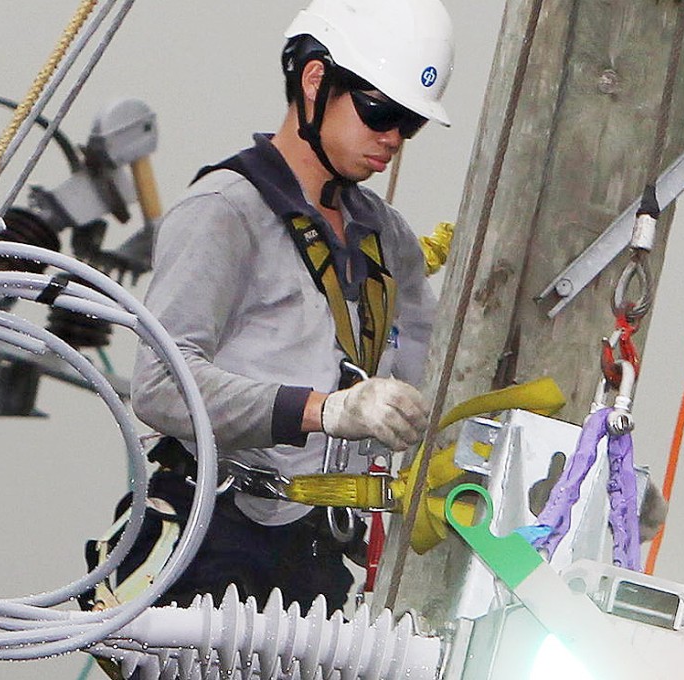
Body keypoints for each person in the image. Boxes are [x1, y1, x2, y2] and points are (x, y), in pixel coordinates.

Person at [129, 0, 455, 615]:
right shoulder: (224, 212)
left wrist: (582, 484)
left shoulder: (387, 240)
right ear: (315, 80)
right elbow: (160, 385)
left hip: (315, 556)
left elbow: (442, 387)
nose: (391, 137)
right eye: (379, 110)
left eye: (407, 122)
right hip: (211, 537)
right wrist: (322, 411)